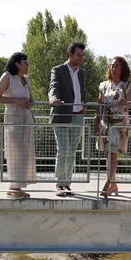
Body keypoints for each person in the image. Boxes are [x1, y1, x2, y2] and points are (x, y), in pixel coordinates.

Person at [0, 52, 36, 199]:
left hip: (26, 118)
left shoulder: (26, 80)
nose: (27, 64)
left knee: (25, 151)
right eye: (25, 61)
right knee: (15, 151)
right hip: (13, 119)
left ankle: (18, 185)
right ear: (17, 63)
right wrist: (16, 100)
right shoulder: (7, 77)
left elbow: (30, 99)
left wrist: (29, 102)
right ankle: (13, 186)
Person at [93, 56, 131, 197]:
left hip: (119, 124)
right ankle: (114, 184)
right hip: (106, 123)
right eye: (112, 66)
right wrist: (96, 124)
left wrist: (126, 102)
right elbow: (99, 106)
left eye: (117, 66)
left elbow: (130, 102)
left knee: (113, 154)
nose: (114, 68)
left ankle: (108, 184)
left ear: (123, 68)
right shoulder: (103, 85)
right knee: (108, 154)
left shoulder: (128, 85)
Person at [49, 42, 87, 197]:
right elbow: (53, 87)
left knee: (71, 151)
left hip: (78, 116)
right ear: (70, 54)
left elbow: (81, 90)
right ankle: (59, 184)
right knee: (63, 150)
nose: (81, 58)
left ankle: (67, 183)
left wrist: (84, 103)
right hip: (62, 114)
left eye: (82, 55)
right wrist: (53, 99)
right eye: (78, 55)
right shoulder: (58, 70)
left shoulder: (82, 72)